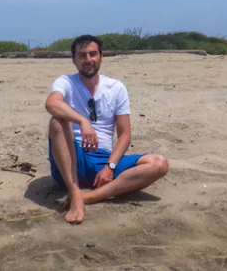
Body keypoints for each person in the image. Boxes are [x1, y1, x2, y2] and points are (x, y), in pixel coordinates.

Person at [45, 34, 169, 224]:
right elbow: (52, 103)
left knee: (159, 164)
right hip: (71, 158)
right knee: (56, 122)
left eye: (93, 54)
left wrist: (110, 167)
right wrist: (82, 121)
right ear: (74, 59)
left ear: (101, 56)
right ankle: (75, 192)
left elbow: (125, 135)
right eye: (82, 55)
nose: (88, 60)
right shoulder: (66, 82)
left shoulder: (116, 87)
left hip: (102, 161)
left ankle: (90, 197)